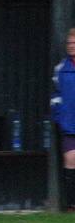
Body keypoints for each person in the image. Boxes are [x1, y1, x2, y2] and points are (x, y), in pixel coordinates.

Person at [51, 28, 75, 212]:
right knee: (70, 160)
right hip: (69, 124)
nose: (72, 46)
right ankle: (72, 205)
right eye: (69, 43)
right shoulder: (60, 69)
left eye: (74, 43)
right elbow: (56, 96)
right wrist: (59, 117)